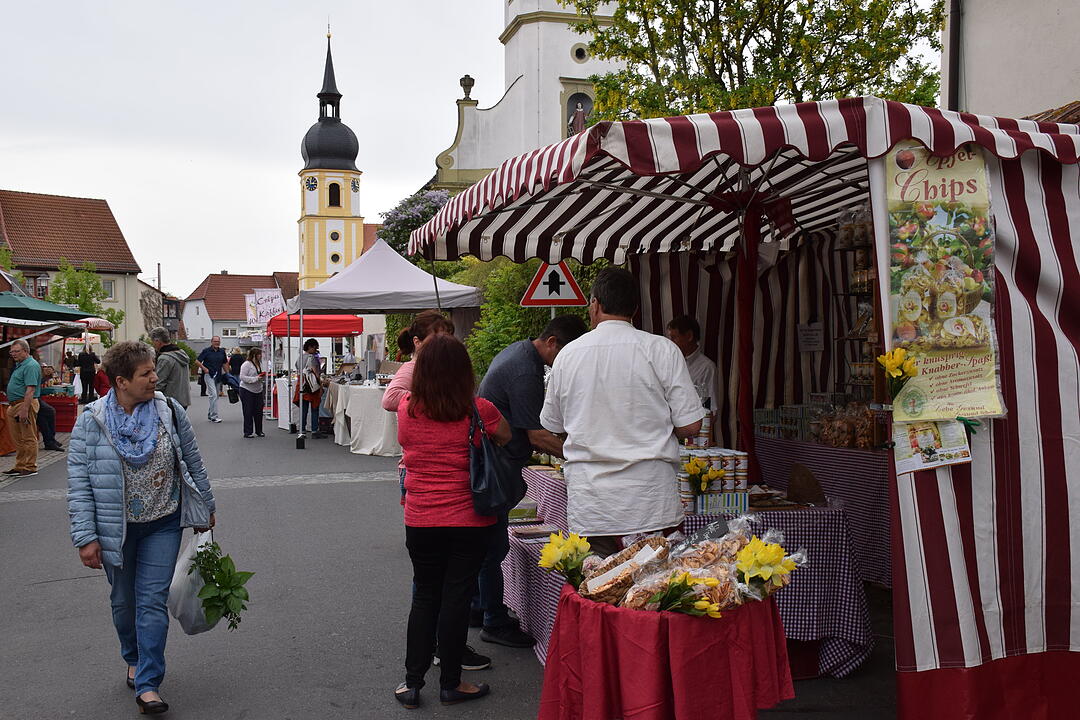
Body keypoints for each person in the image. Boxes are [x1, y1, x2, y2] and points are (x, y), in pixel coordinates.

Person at [67, 340, 216, 716]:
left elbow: (193, 461)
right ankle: (132, 657)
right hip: (115, 529)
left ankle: (149, 683)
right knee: (123, 602)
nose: (154, 378)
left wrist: (206, 507)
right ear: (121, 381)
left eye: (153, 370)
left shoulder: (168, 411)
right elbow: (79, 483)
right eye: (146, 373)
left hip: (163, 523)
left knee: (151, 601)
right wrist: (85, 537)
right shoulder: (92, 419)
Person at [540, 268, 704, 557]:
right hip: (652, 501)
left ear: (595, 305)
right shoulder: (662, 350)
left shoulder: (568, 355)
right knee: (654, 591)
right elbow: (691, 426)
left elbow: (553, 423)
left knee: (600, 591)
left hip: (593, 505)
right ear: (635, 309)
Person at [394, 333, 511, 709]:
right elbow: (506, 437)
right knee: (456, 598)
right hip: (468, 519)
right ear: (464, 371)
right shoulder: (479, 409)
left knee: (425, 595)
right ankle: (451, 683)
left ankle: (412, 683)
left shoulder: (407, 409)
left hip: (421, 517)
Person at [474, 315, 587, 648]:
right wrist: (581, 456)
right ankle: (493, 618)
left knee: (489, 543)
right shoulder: (526, 370)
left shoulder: (521, 354)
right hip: (498, 463)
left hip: (494, 458)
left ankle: (480, 607)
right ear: (552, 342)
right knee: (494, 545)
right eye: (566, 354)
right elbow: (536, 434)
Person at [666, 315, 717, 438]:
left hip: (693, 435)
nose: (671, 343)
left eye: (674, 338)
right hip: (668, 432)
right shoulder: (668, 361)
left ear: (689, 336)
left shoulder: (706, 367)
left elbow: (711, 410)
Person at [5, 339, 41, 477]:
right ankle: (20, 465)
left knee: (28, 437)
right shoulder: (20, 364)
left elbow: (30, 390)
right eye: (11, 351)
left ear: (25, 351)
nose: (13, 354)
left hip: (24, 404)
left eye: (16, 351)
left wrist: (25, 409)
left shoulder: (31, 365)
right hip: (14, 404)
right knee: (17, 438)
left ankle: (30, 466)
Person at [149, 327, 191, 409]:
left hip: (170, 402)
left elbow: (159, 383)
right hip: (184, 399)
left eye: (153, 341)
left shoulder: (165, 358)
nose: (153, 344)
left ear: (158, 341)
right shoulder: (181, 354)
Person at [295, 339, 326, 437]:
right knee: (315, 408)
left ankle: (302, 430)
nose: (316, 350)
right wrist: (320, 386)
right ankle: (314, 430)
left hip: (302, 384)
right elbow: (316, 374)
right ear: (310, 347)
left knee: (303, 409)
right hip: (312, 386)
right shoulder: (312, 358)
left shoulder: (299, 358)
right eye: (315, 347)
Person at [195, 336, 227, 422]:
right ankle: (214, 416)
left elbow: (224, 363)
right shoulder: (206, 351)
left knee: (215, 396)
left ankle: (210, 413)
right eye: (215, 341)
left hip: (218, 376)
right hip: (209, 375)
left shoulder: (222, 351)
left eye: (218, 341)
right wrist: (204, 368)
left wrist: (227, 374)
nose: (217, 343)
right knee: (213, 395)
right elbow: (197, 361)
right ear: (211, 342)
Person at [36, 364, 65, 452]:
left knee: (43, 416)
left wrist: (47, 376)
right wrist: (46, 376)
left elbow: (36, 384)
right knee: (49, 412)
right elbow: (34, 384)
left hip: (35, 397)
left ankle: (50, 440)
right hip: (32, 398)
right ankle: (49, 440)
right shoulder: (30, 366)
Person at [239, 347, 266, 438]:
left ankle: (259, 431)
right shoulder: (246, 364)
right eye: (259, 354)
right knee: (248, 411)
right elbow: (242, 377)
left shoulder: (259, 364)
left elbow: (259, 375)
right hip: (247, 390)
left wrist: (261, 378)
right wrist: (255, 379)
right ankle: (248, 432)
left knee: (259, 411)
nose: (261, 356)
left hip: (258, 390)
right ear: (254, 355)